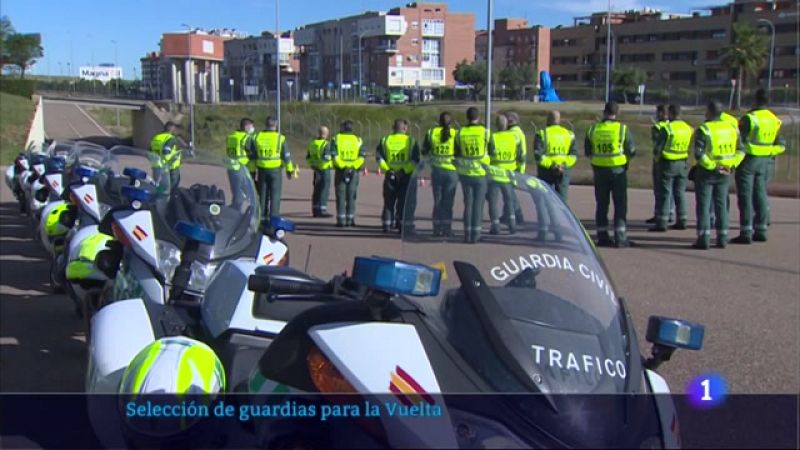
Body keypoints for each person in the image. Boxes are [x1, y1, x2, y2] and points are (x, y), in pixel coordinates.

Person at [732, 88, 786, 244]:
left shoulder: (750, 118)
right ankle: (761, 229)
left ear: (755, 100)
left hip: (748, 160)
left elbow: (739, 141)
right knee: (760, 194)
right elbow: (781, 144)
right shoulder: (774, 119)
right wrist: (769, 152)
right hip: (765, 161)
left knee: (745, 196)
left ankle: (746, 231)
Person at [691, 101, 745, 250]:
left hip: (707, 173)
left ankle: (704, 238)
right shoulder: (731, 128)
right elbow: (741, 150)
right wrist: (731, 165)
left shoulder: (704, 129)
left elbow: (699, 154)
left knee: (704, 205)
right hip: (725, 172)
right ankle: (722, 237)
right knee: (721, 204)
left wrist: (713, 166)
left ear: (709, 112)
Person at [585, 101, 636, 248]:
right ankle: (620, 237)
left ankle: (602, 236)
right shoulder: (622, 129)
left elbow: (588, 151)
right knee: (620, 204)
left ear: (604, 112)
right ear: (617, 113)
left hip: (599, 171)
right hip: (618, 170)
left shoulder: (593, 129)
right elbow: (631, 150)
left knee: (602, 204)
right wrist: (625, 160)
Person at [650, 104, 693, 232]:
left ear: (670, 113)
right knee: (680, 193)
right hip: (683, 162)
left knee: (665, 192)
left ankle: (662, 222)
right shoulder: (688, 128)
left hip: (668, 163)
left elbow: (658, 148)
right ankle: (682, 219)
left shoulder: (668, 129)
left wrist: (657, 162)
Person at [377, 119, 420, 233]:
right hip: (405, 176)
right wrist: (403, 171)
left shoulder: (385, 140)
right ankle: (402, 226)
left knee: (389, 201)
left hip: (390, 175)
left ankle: (387, 224)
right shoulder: (411, 141)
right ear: (405, 128)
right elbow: (415, 160)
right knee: (403, 202)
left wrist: (388, 170)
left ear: (393, 127)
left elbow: (379, 158)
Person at [454, 106, 490, 244]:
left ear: (467, 117)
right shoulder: (485, 132)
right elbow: (491, 150)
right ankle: (476, 233)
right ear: (478, 117)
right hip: (480, 172)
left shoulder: (460, 132)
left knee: (468, 203)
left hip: (465, 172)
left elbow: (456, 153)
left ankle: (467, 233)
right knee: (478, 204)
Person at [253, 117, 297, 224]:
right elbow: (286, 156)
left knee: (262, 195)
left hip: (262, 169)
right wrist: (290, 170)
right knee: (275, 195)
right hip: (275, 170)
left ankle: (261, 220)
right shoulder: (280, 138)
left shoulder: (257, 137)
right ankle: (273, 219)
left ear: (266, 124)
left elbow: (253, 155)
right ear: (276, 125)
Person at [423, 112, 458, 237]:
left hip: (437, 170)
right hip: (451, 171)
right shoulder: (455, 133)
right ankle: (447, 228)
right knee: (448, 202)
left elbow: (424, 150)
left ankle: (436, 228)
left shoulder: (431, 133)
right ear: (451, 122)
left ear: (438, 121)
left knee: (437, 201)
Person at [486, 114, 521, 235]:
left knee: (493, 201)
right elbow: (519, 154)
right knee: (509, 200)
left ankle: (495, 225)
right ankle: (512, 224)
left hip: (495, 173)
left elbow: (489, 155)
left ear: (496, 125)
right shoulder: (513, 138)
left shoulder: (493, 137)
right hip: (508, 172)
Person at [533, 110, 576, 202]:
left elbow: (539, 156)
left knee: (544, 199)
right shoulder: (569, 134)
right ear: (559, 120)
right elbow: (573, 155)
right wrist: (563, 165)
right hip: (563, 171)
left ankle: (545, 216)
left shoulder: (542, 134)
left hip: (546, 171)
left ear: (548, 119)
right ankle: (562, 216)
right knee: (562, 200)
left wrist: (552, 165)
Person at [330, 120, 365, 227]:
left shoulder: (336, 139)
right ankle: (350, 219)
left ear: (342, 128)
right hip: (353, 171)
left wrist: (343, 166)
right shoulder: (358, 140)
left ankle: (341, 220)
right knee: (351, 195)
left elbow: (334, 155)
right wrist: (352, 166)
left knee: (341, 195)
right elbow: (362, 156)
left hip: (341, 171)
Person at [646, 105, 669, 224]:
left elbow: (656, 142)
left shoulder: (658, 127)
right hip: (676, 160)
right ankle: (669, 213)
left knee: (659, 189)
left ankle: (659, 213)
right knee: (670, 190)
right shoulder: (673, 126)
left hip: (660, 160)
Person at [504, 111, 527, 223]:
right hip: (518, 167)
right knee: (508, 192)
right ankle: (507, 214)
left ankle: (518, 215)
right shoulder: (518, 132)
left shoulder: (513, 134)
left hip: (514, 168)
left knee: (510, 194)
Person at [306, 126, 333, 218]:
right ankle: (322, 209)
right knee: (324, 190)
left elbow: (308, 157)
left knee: (316, 189)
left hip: (315, 169)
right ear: (326, 134)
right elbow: (327, 158)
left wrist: (313, 166)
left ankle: (315, 209)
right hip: (324, 169)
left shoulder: (312, 143)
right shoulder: (326, 144)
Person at [149, 121, 182, 192]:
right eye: (175, 129)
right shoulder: (170, 138)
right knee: (172, 189)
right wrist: (171, 160)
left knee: (160, 188)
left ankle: (159, 200)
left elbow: (150, 152)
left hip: (157, 166)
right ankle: (170, 201)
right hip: (170, 168)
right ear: (172, 129)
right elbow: (166, 151)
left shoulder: (156, 137)